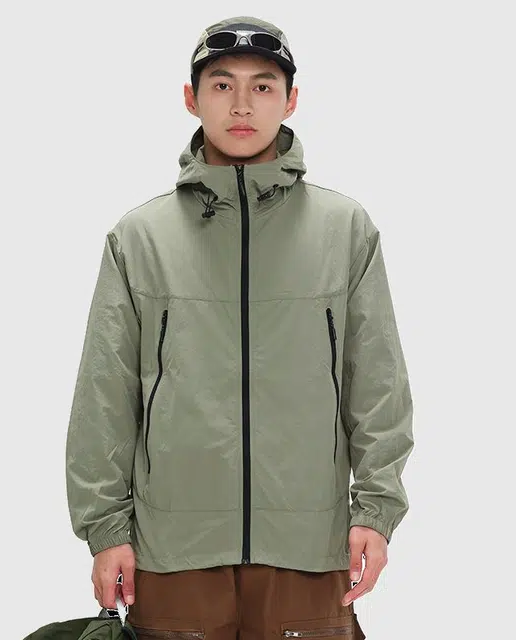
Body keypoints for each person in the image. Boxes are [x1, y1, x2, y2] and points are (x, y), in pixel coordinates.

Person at [65, 15, 414, 640]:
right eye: (222, 85)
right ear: (191, 97)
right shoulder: (140, 239)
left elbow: (378, 384)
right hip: (173, 550)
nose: (243, 104)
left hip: (308, 547)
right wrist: (107, 529)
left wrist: (376, 511)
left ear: (291, 99)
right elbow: (104, 394)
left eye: (263, 86)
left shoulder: (344, 231)